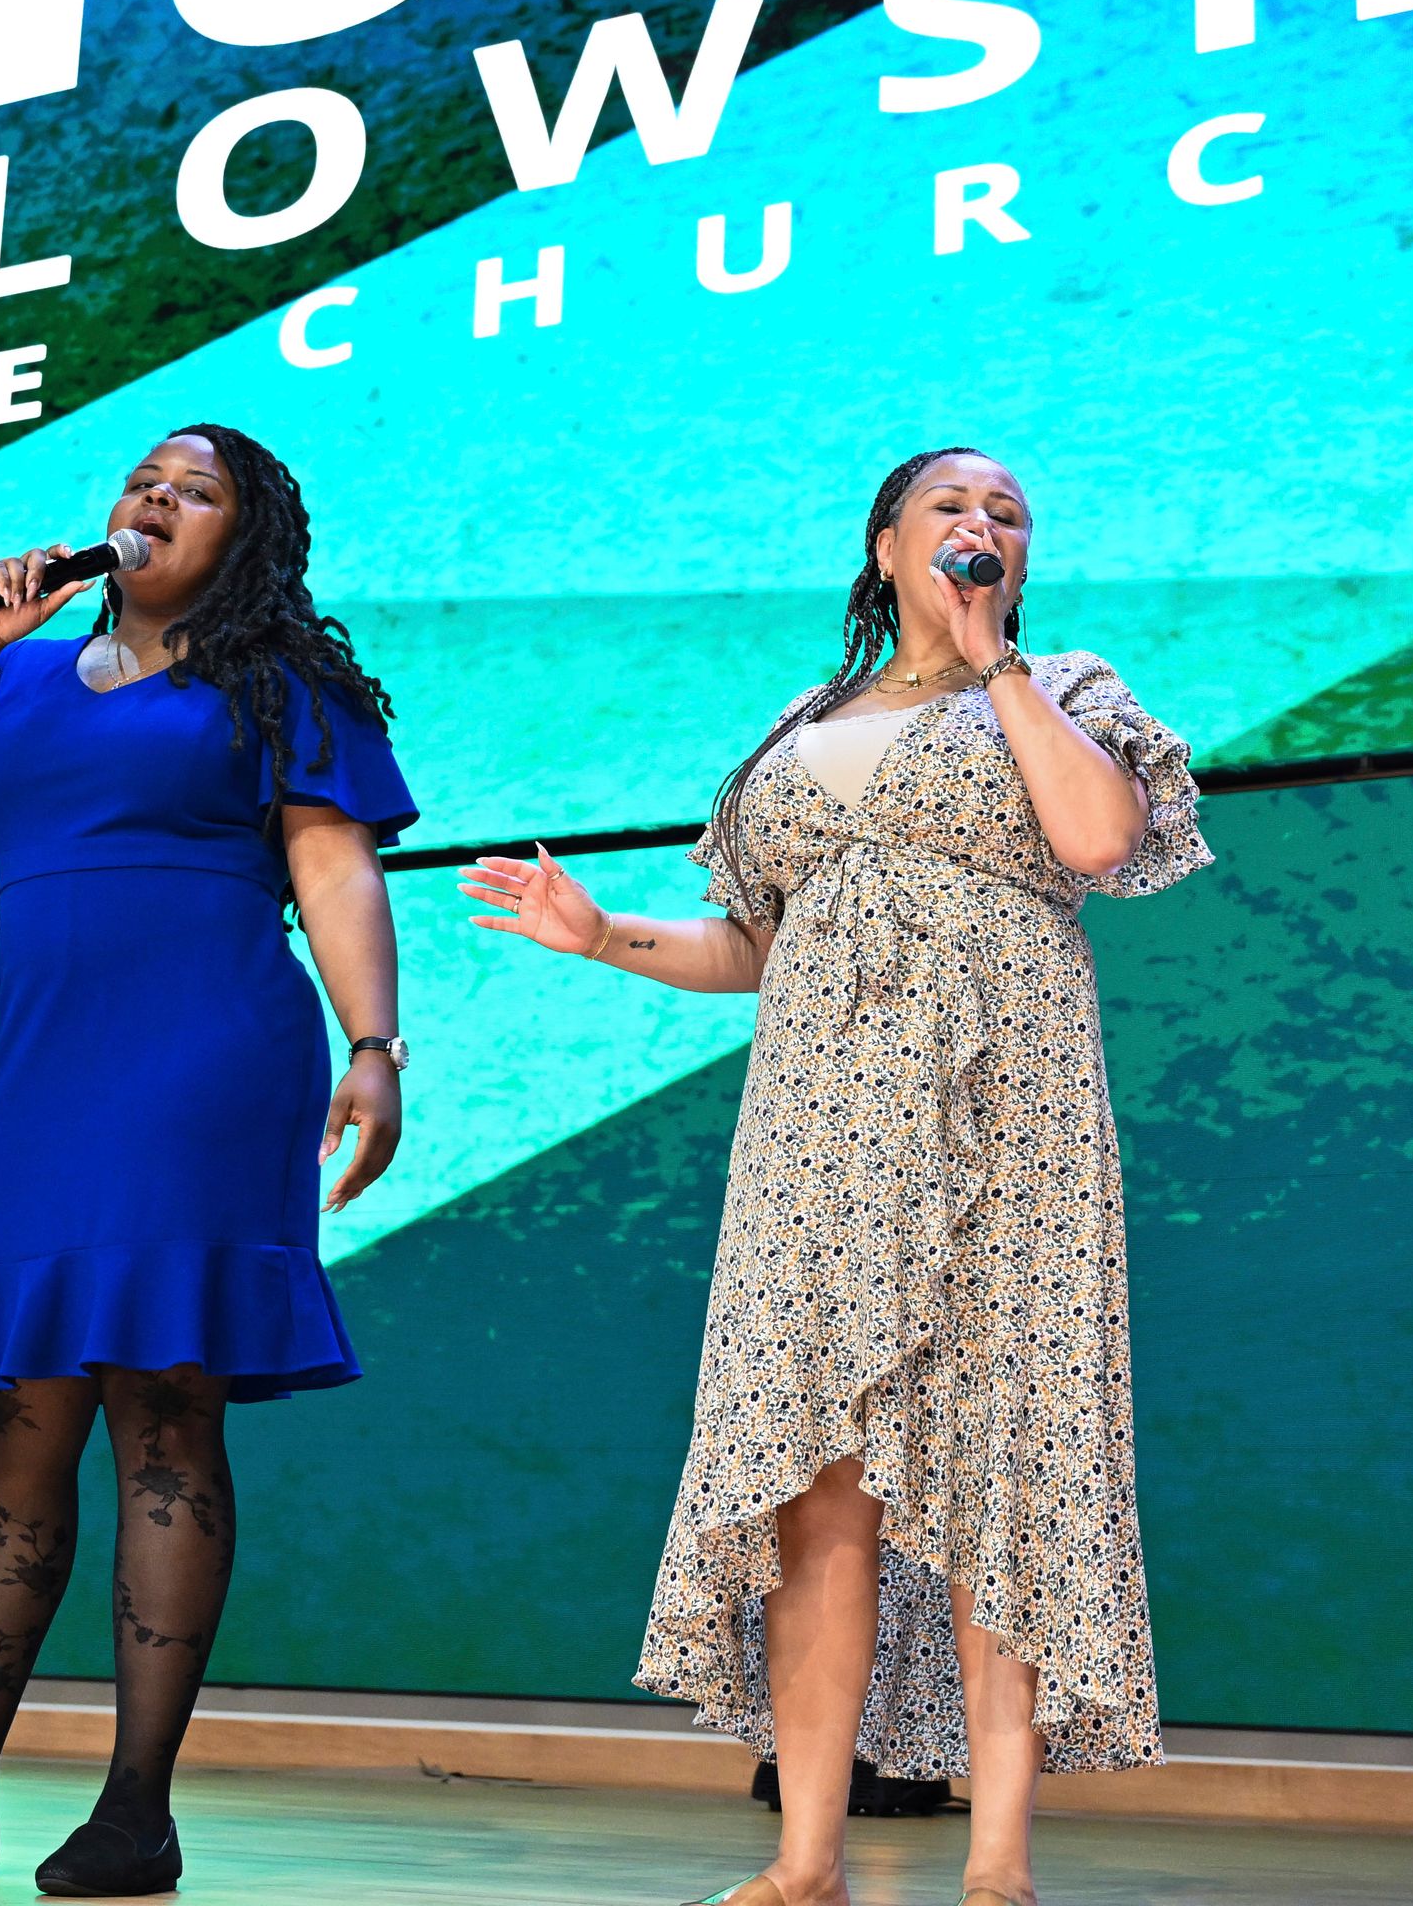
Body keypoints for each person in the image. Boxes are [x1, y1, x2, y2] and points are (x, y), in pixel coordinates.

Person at [463, 447, 1210, 1906]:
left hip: (1008, 1116)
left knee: (1010, 1470)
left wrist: (997, 667)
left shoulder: (1063, 687)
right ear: (883, 546)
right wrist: (602, 931)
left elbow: (1103, 839)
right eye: (951, 507)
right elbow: (752, 945)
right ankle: (807, 1859)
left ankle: (998, 1861)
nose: (982, 526)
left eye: (1008, 514)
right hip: (813, 1131)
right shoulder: (802, 725)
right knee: (816, 1488)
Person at [0, 425, 411, 1899]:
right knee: (15, 1421)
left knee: (165, 1411)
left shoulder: (277, 681)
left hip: (204, 1058)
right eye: (144, 479)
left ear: (245, 540)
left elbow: (332, 860)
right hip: (48, 1075)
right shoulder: (19, 675)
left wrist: (374, 1047)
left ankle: (137, 1806)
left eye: (197, 492)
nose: (156, 499)